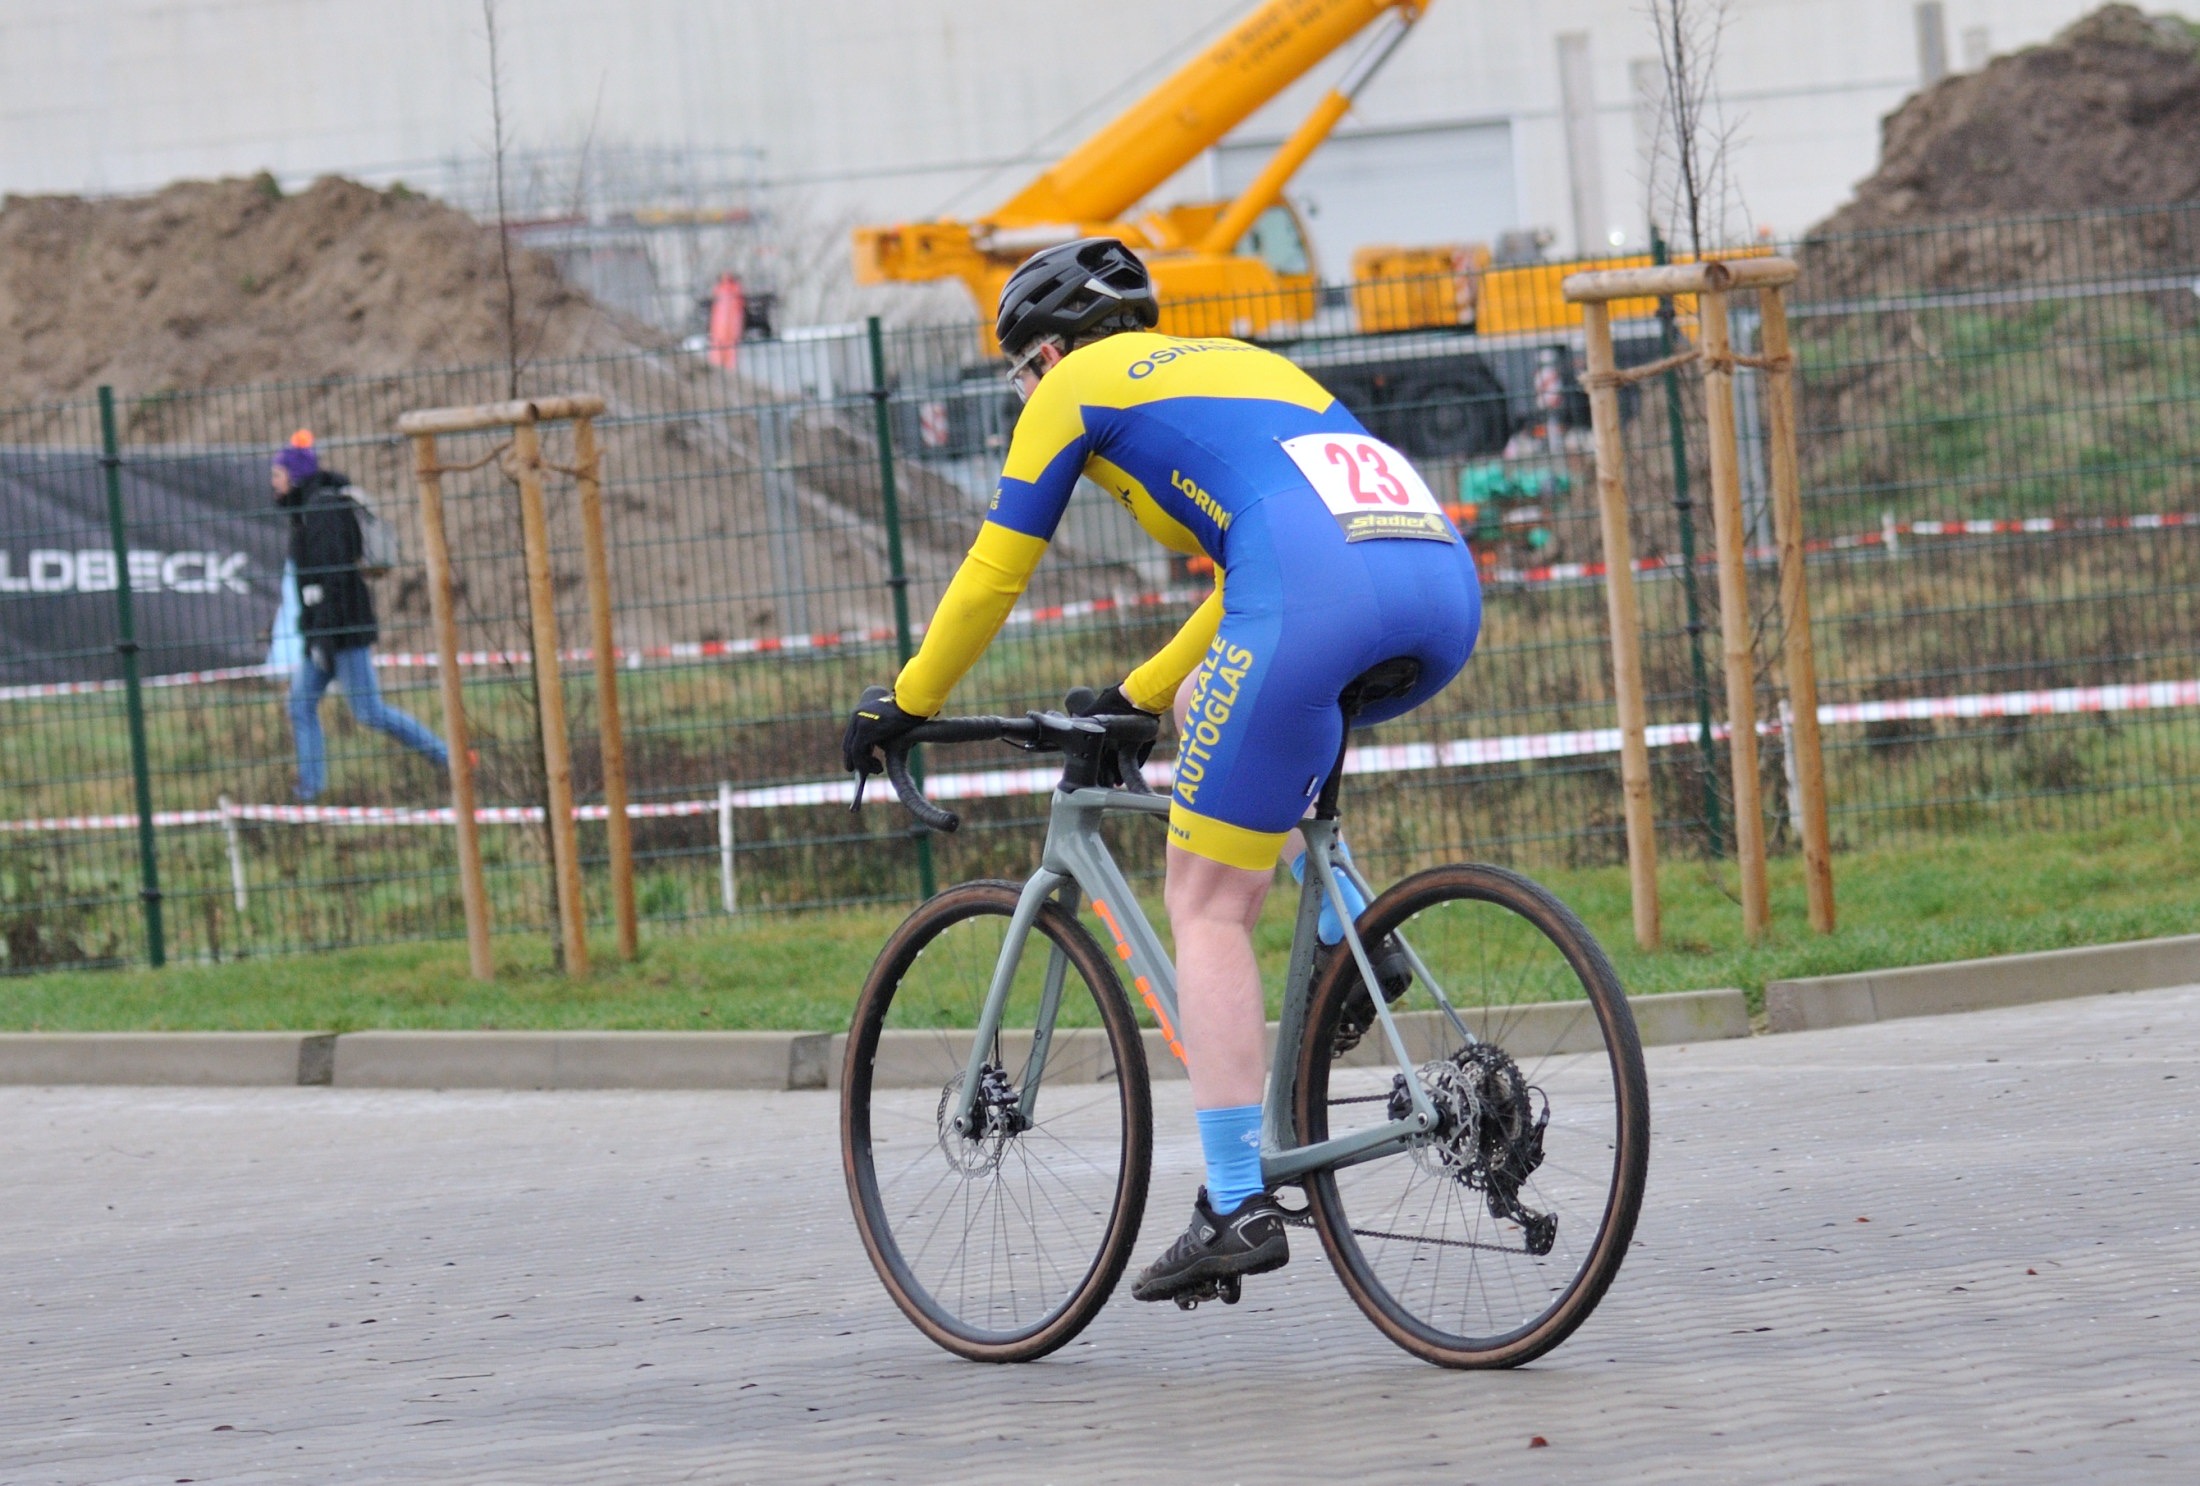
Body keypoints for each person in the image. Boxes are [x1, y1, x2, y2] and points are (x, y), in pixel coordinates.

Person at [842, 239, 1482, 1304]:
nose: (1022, 394)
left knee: (1207, 904)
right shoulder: (1239, 363)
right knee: (1211, 713)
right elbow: (1257, 572)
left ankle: (1234, 1201)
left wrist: (907, 700)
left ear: (1048, 353)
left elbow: (994, 570)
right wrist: (1138, 693)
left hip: (1316, 599)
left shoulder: (1074, 387)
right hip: (1439, 589)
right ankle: (1348, 929)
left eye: (1018, 373)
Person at [271, 430, 449, 801]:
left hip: (344, 633)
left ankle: (449, 759)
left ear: (295, 476)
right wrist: (316, 635)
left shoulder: (322, 512)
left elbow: (334, 581)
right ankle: (309, 790)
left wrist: (323, 637)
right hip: (324, 635)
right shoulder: (306, 512)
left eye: (278, 474)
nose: (273, 482)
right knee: (300, 705)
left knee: (369, 712)